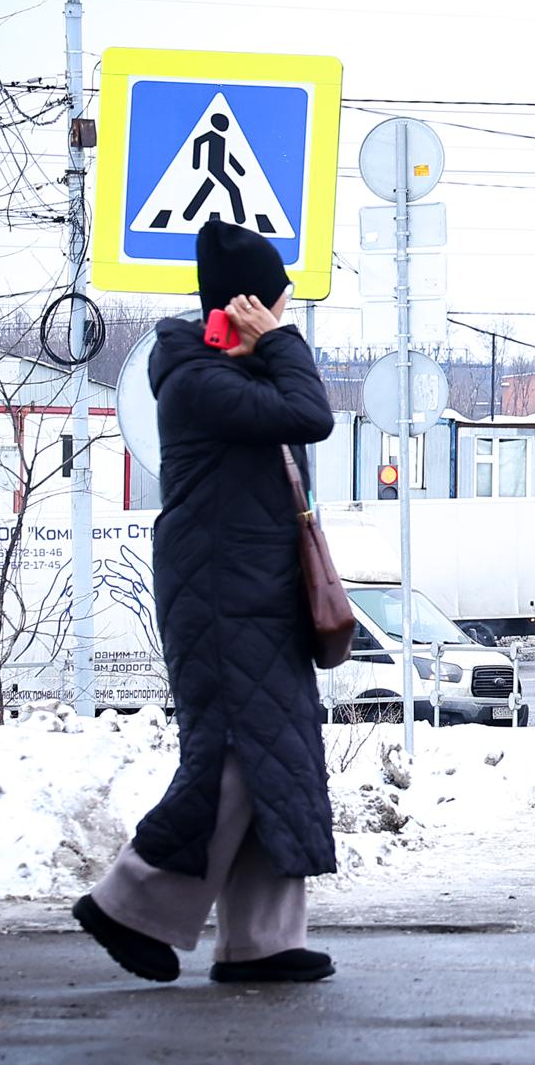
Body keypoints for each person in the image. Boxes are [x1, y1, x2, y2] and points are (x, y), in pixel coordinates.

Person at [73, 221, 336, 985]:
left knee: (275, 756)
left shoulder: (237, 376)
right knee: (227, 756)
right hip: (220, 593)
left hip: (261, 592)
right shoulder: (194, 380)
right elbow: (311, 413)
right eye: (277, 304)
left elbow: (293, 416)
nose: (284, 317)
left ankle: (262, 940)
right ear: (251, 304)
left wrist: (266, 348)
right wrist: (281, 342)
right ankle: (127, 902)